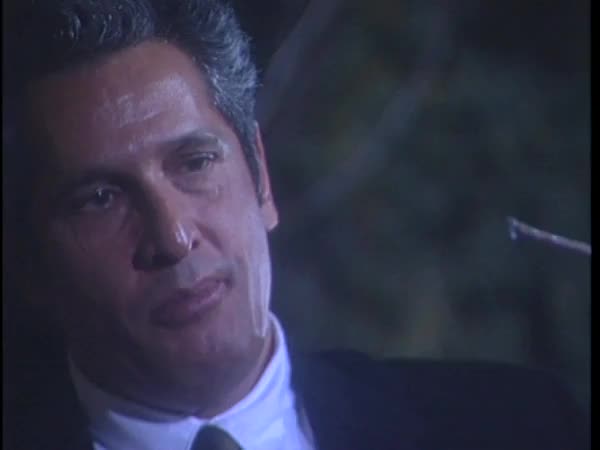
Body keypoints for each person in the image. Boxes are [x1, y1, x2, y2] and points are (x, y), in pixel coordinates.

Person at [2, 1, 589, 449]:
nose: (174, 237)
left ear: (261, 178)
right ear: (28, 263)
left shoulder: (521, 425)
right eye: (99, 199)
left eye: (195, 162)